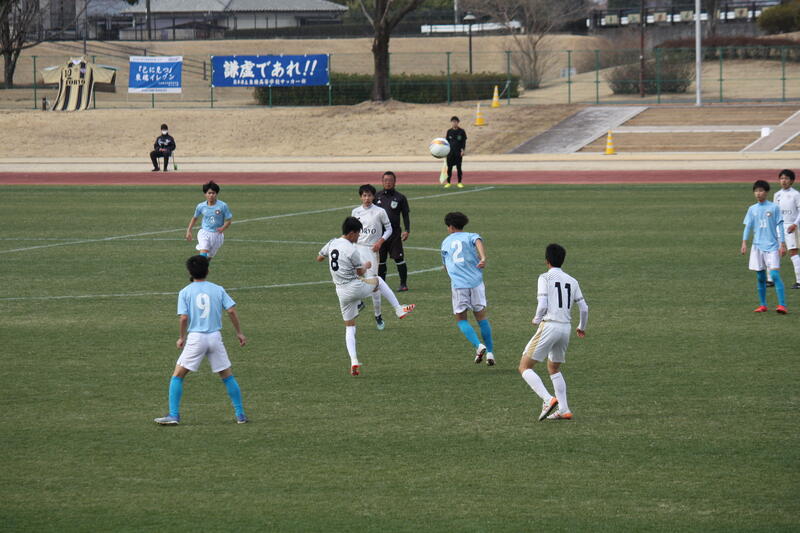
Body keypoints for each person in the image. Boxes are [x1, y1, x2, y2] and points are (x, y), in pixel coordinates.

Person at [154, 255, 248, 425]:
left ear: (189, 272)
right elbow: (231, 311)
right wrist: (239, 333)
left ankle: (174, 415)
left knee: (178, 375)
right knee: (227, 376)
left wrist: (181, 337)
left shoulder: (185, 292)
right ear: (208, 270)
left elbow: (183, 318)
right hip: (215, 338)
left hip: (196, 338)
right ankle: (240, 415)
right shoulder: (218, 289)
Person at [317, 216, 416, 376]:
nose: (359, 237)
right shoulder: (351, 250)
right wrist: (366, 265)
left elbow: (319, 257)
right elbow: (360, 272)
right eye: (358, 234)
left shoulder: (332, 243)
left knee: (350, 326)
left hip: (341, 292)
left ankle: (354, 361)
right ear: (351, 233)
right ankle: (398, 309)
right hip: (354, 287)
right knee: (378, 281)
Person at [519, 243, 588, 422]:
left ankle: (547, 399)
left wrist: (536, 318)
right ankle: (564, 409)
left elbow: (542, 304)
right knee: (553, 368)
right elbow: (584, 308)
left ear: (547, 261)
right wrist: (581, 327)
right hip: (566, 328)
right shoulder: (572, 281)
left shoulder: (544, 278)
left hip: (549, 326)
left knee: (524, 367)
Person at [352, 184, 411, 330]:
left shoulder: (380, 211)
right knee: (354, 277)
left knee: (375, 285)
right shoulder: (355, 211)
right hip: (357, 249)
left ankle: (378, 315)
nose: (367, 198)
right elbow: (353, 231)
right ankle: (359, 302)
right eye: (364, 195)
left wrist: (380, 242)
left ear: (374, 197)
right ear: (360, 197)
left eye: (369, 195)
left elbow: (389, 229)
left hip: (371, 250)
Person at [440, 212, 495, 366]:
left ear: (451, 227)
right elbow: (478, 241)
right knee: (481, 318)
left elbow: (445, 265)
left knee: (461, 319)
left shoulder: (446, 242)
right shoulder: (471, 235)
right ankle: (490, 353)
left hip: (459, 285)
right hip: (476, 283)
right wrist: (483, 258)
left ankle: (478, 345)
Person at [742, 179, 787, 313]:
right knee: (760, 277)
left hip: (772, 246)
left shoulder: (774, 208)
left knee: (774, 275)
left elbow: (780, 226)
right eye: (756, 191)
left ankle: (782, 305)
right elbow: (748, 226)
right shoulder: (752, 209)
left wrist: (782, 244)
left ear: (766, 192)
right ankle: (763, 305)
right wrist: (744, 242)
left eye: (761, 191)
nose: (758, 193)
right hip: (757, 247)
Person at [374, 171, 411, 292]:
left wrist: (407, 230)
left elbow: (405, 215)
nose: (388, 182)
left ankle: (403, 284)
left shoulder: (400, 197)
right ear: (382, 182)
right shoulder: (376, 197)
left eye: (390, 180)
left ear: (395, 182)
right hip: (380, 234)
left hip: (394, 234)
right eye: (385, 180)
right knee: (381, 260)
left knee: (399, 259)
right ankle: (382, 286)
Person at [185, 181, 232, 260]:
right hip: (204, 233)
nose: (211, 195)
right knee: (203, 255)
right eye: (209, 193)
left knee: (208, 259)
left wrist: (223, 228)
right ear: (205, 194)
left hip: (217, 235)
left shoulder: (223, 206)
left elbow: (229, 220)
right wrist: (188, 231)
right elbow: (195, 218)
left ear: (216, 194)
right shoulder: (201, 206)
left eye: (213, 193)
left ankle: (202, 267)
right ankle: (198, 267)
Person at [771, 169, 800, 289]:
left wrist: (795, 224)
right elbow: (775, 213)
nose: (784, 181)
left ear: (792, 181)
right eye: (782, 178)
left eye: (786, 178)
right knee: (775, 252)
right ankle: (771, 280)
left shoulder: (796, 194)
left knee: (793, 252)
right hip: (779, 227)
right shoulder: (777, 195)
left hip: (791, 227)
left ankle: (799, 281)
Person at [444, 116, 467, 188]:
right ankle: (448, 182)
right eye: (453, 122)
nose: (454, 123)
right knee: (449, 168)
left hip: (458, 152)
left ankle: (459, 182)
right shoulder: (449, 131)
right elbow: (446, 142)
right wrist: (445, 152)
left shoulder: (462, 131)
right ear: (451, 122)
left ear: (458, 122)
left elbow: (463, 142)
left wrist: (463, 150)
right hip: (450, 153)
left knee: (459, 168)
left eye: (455, 122)